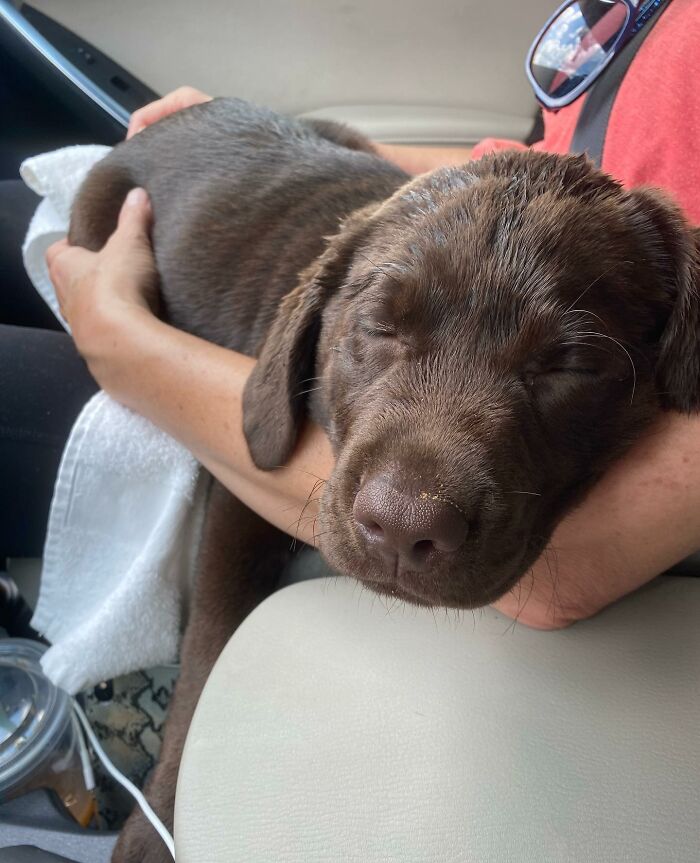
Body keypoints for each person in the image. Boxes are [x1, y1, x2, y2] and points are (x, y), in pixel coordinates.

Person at [4, 0, 700, 630]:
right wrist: (336, 147)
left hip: (167, 353)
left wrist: (122, 345)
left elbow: (577, 572)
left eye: (570, 360)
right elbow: (543, 162)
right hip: (160, 197)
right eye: (379, 327)